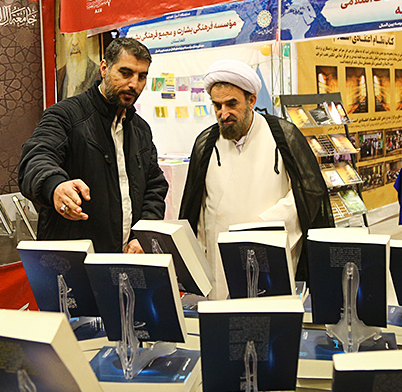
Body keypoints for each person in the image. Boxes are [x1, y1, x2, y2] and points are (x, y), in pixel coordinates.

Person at [179, 59, 333, 299]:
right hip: (218, 261)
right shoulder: (206, 143)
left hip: (271, 251)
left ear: (251, 101)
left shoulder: (283, 136)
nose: (223, 113)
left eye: (232, 104)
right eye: (217, 105)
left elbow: (309, 192)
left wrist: (263, 225)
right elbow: (196, 208)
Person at [18, 37, 167, 254]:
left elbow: (155, 186)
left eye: (141, 76)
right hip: (76, 262)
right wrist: (55, 186)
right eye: (125, 73)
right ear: (104, 68)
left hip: (126, 259)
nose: (134, 84)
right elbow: (36, 158)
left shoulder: (140, 129)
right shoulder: (66, 115)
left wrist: (143, 235)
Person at [57, 30, 99, 100]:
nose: (74, 42)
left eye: (79, 33)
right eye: (70, 34)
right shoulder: (58, 77)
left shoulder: (99, 74)